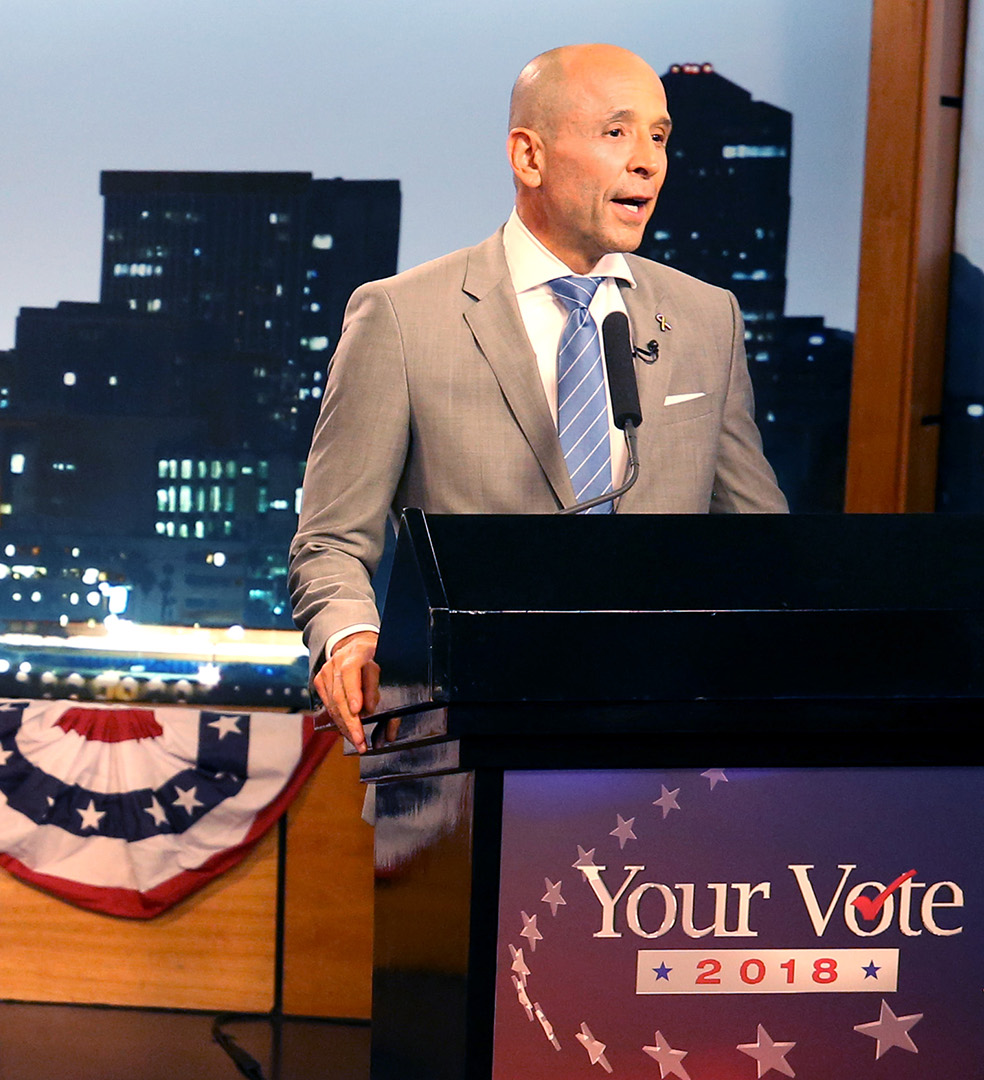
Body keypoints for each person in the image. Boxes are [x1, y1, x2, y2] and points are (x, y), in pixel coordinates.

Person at [289, 44, 787, 753]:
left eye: (659, 135)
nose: (647, 159)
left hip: (666, 740)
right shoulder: (402, 318)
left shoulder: (707, 318)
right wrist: (351, 637)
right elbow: (332, 539)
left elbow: (756, 543)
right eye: (617, 133)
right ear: (529, 157)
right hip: (467, 742)